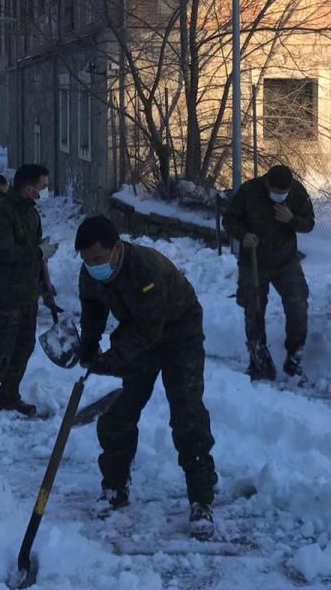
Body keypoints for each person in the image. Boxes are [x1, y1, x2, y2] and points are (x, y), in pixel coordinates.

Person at [75, 216, 218, 536]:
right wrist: (88, 344)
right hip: (138, 332)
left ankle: (202, 501)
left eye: (97, 259)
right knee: (118, 413)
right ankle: (114, 489)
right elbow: (92, 308)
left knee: (187, 414)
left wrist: (111, 361)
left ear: (117, 248)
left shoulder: (146, 269)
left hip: (180, 332)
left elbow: (148, 332)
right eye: (86, 260)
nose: (92, 265)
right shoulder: (90, 272)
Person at [0, 164, 59, 431]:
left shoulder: (31, 214)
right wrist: (39, 253)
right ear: (27, 185)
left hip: (28, 295)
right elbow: (3, 254)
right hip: (6, 296)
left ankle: (9, 398)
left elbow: (36, 256)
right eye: (41, 188)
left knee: (23, 348)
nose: (41, 194)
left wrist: (45, 289)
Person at [222, 164, 315, 380]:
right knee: (253, 308)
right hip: (253, 261)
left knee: (298, 304)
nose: (280, 197)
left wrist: (292, 219)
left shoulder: (297, 193)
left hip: (286, 261)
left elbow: (309, 223)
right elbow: (229, 219)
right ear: (267, 183)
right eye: (276, 192)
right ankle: (258, 355)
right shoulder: (249, 191)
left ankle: (294, 355)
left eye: (284, 194)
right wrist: (243, 235)